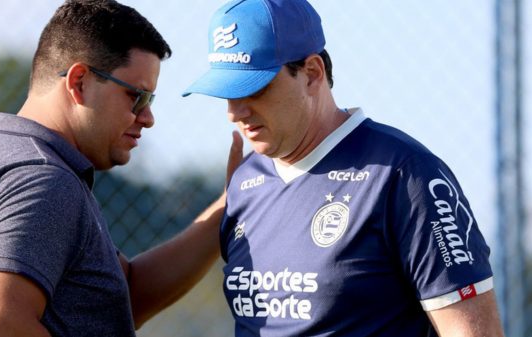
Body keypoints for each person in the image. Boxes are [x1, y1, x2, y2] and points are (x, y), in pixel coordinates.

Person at [183, 0, 505, 336]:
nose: (235, 112)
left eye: (253, 88)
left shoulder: (403, 175)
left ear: (312, 74)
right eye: (226, 93)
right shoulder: (245, 181)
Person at [0, 1, 243, 336]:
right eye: (137, 97)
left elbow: (127, 295)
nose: (148, 118)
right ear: (79, 82)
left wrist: (229, 207)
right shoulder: (42, 179)